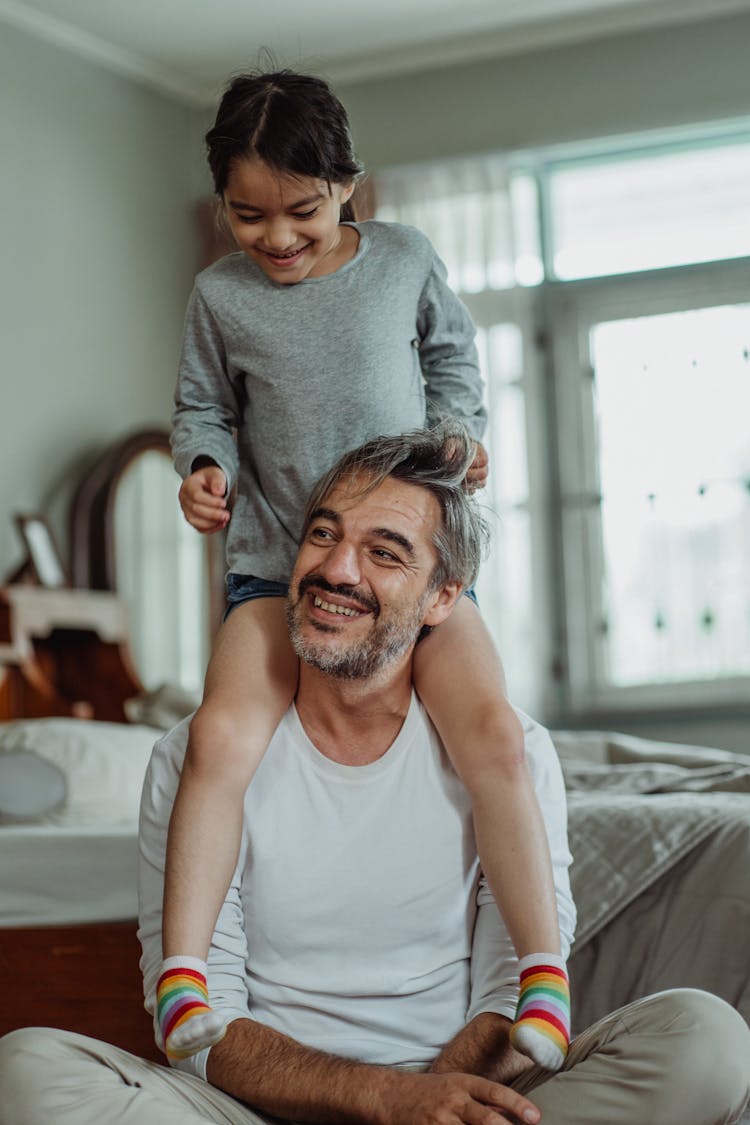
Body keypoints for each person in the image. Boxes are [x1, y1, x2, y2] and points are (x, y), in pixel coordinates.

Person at [1, 423, 748, 1125]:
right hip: (263, 1110)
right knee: (28, 1070)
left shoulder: (508, 754)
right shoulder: (197, 756)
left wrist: (425, 1101)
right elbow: (203, 1029)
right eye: (323, 534)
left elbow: (510, 997)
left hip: (457, 1097)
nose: (337, 569)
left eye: (385, 552)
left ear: (444, 597)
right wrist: (387, 1101)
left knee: (706, 1037)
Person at [161, 66, 568, 1071]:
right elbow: (203, 406)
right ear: (223, 206)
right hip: (274, 568)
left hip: (404, 563)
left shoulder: (403, 261)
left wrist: (459, 435)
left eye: (301, 211)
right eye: (247, 216)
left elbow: (455, 361)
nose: (278, 239)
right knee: (218, 737)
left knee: (498, 741)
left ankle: (545, 978)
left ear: (346, 185)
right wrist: (204, 466)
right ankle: (181, 982)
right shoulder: (220, 294)